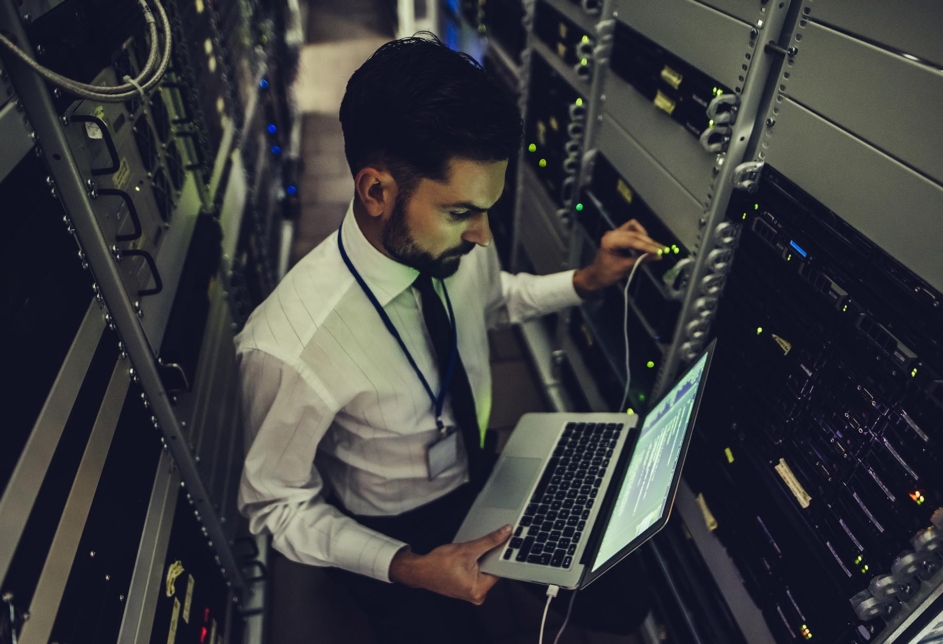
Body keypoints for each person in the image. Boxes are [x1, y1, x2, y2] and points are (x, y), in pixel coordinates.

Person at [236, 34, 661, 643]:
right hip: (396, 524)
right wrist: (406, 566)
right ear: (377, 191)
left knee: (623, 597)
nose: (485, 237)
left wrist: (586, 280)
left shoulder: (456, 252)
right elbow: (276, 505)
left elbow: (496, 299)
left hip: (484, 465)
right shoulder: (287, 346)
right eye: (462, 213)